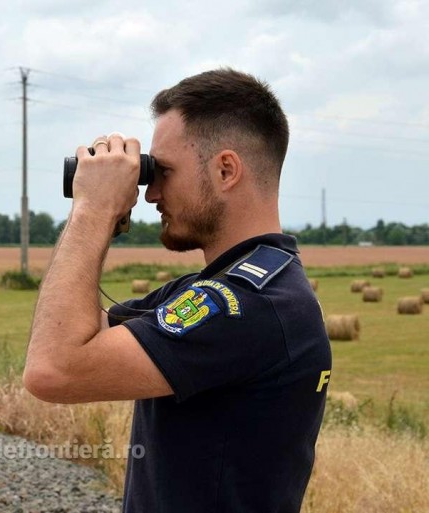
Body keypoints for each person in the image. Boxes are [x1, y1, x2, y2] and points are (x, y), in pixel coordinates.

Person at [23, 68, 332, 512]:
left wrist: (93, 209)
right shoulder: (237, 288)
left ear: (226, 170)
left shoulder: (246, 305)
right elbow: (71, 330)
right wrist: (101, 212)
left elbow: (52, 369)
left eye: (162, 171)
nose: (151, 194)